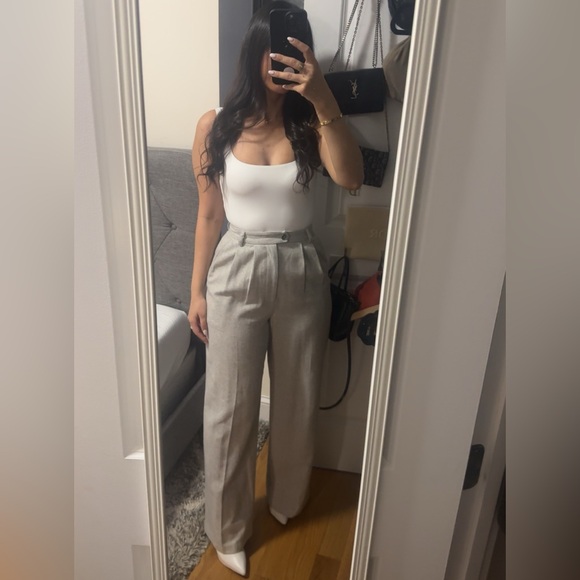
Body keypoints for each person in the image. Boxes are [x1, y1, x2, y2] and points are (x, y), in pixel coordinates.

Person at [187, 1, 363, 575]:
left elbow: (351, 178)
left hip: (300, 265)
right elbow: (208, 214)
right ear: (253, 51)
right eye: (270, 48)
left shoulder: (313, 123)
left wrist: (324, 98)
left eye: (290, 51)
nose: (278, 61)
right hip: (235, 266)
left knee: (297, 398)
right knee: (229, 409)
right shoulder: (215, 124)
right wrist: (195, 292)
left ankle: (288, 499)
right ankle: (227, 529)